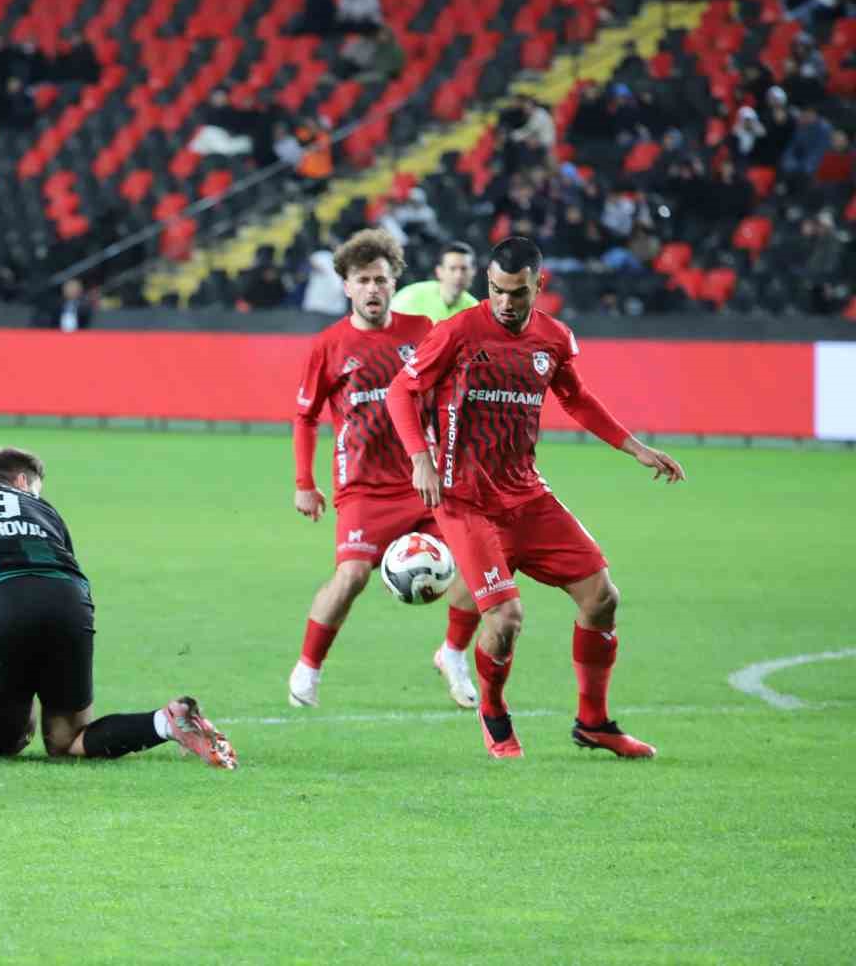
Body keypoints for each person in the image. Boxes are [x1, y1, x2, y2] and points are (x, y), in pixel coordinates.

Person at [385, 236, 686, 760]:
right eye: (497, 290)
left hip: (527, 495)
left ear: (538, 286)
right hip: (464, 500)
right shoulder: (457, 332)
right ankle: (494, 713)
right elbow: (400, 392)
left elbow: (576, 397)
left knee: (603, 598)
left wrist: (633, 446)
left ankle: (594, 723)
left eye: (517, 292)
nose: (505, 302)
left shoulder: (554, 339)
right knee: (505, 620)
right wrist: (420, 459)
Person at [0, 447, 237, 771]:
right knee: (66, 740)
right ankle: (168, 721)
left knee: (13, 731)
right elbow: (68, 568)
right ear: (23, 481)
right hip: (67, 600)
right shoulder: (45, 510)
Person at [288, 230, 481, 711]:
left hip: (425, 481)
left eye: (381, 279)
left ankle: (453, 654)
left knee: (483, 563)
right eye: (363, 280)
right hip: (363, 488)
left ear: (395, 283)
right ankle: (308, 667)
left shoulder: (422, 332)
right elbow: (306, 416)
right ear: (347, 287)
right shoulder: (329, 345)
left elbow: (449, 397)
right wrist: (304, 483)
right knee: (351, 576)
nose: (373, 288)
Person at [391, 241, 478, 321]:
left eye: (464, 269)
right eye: (452, 269)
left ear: (473, 272)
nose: (458, 275)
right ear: (439, 271)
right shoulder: (411, 296)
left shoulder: (475, 310)